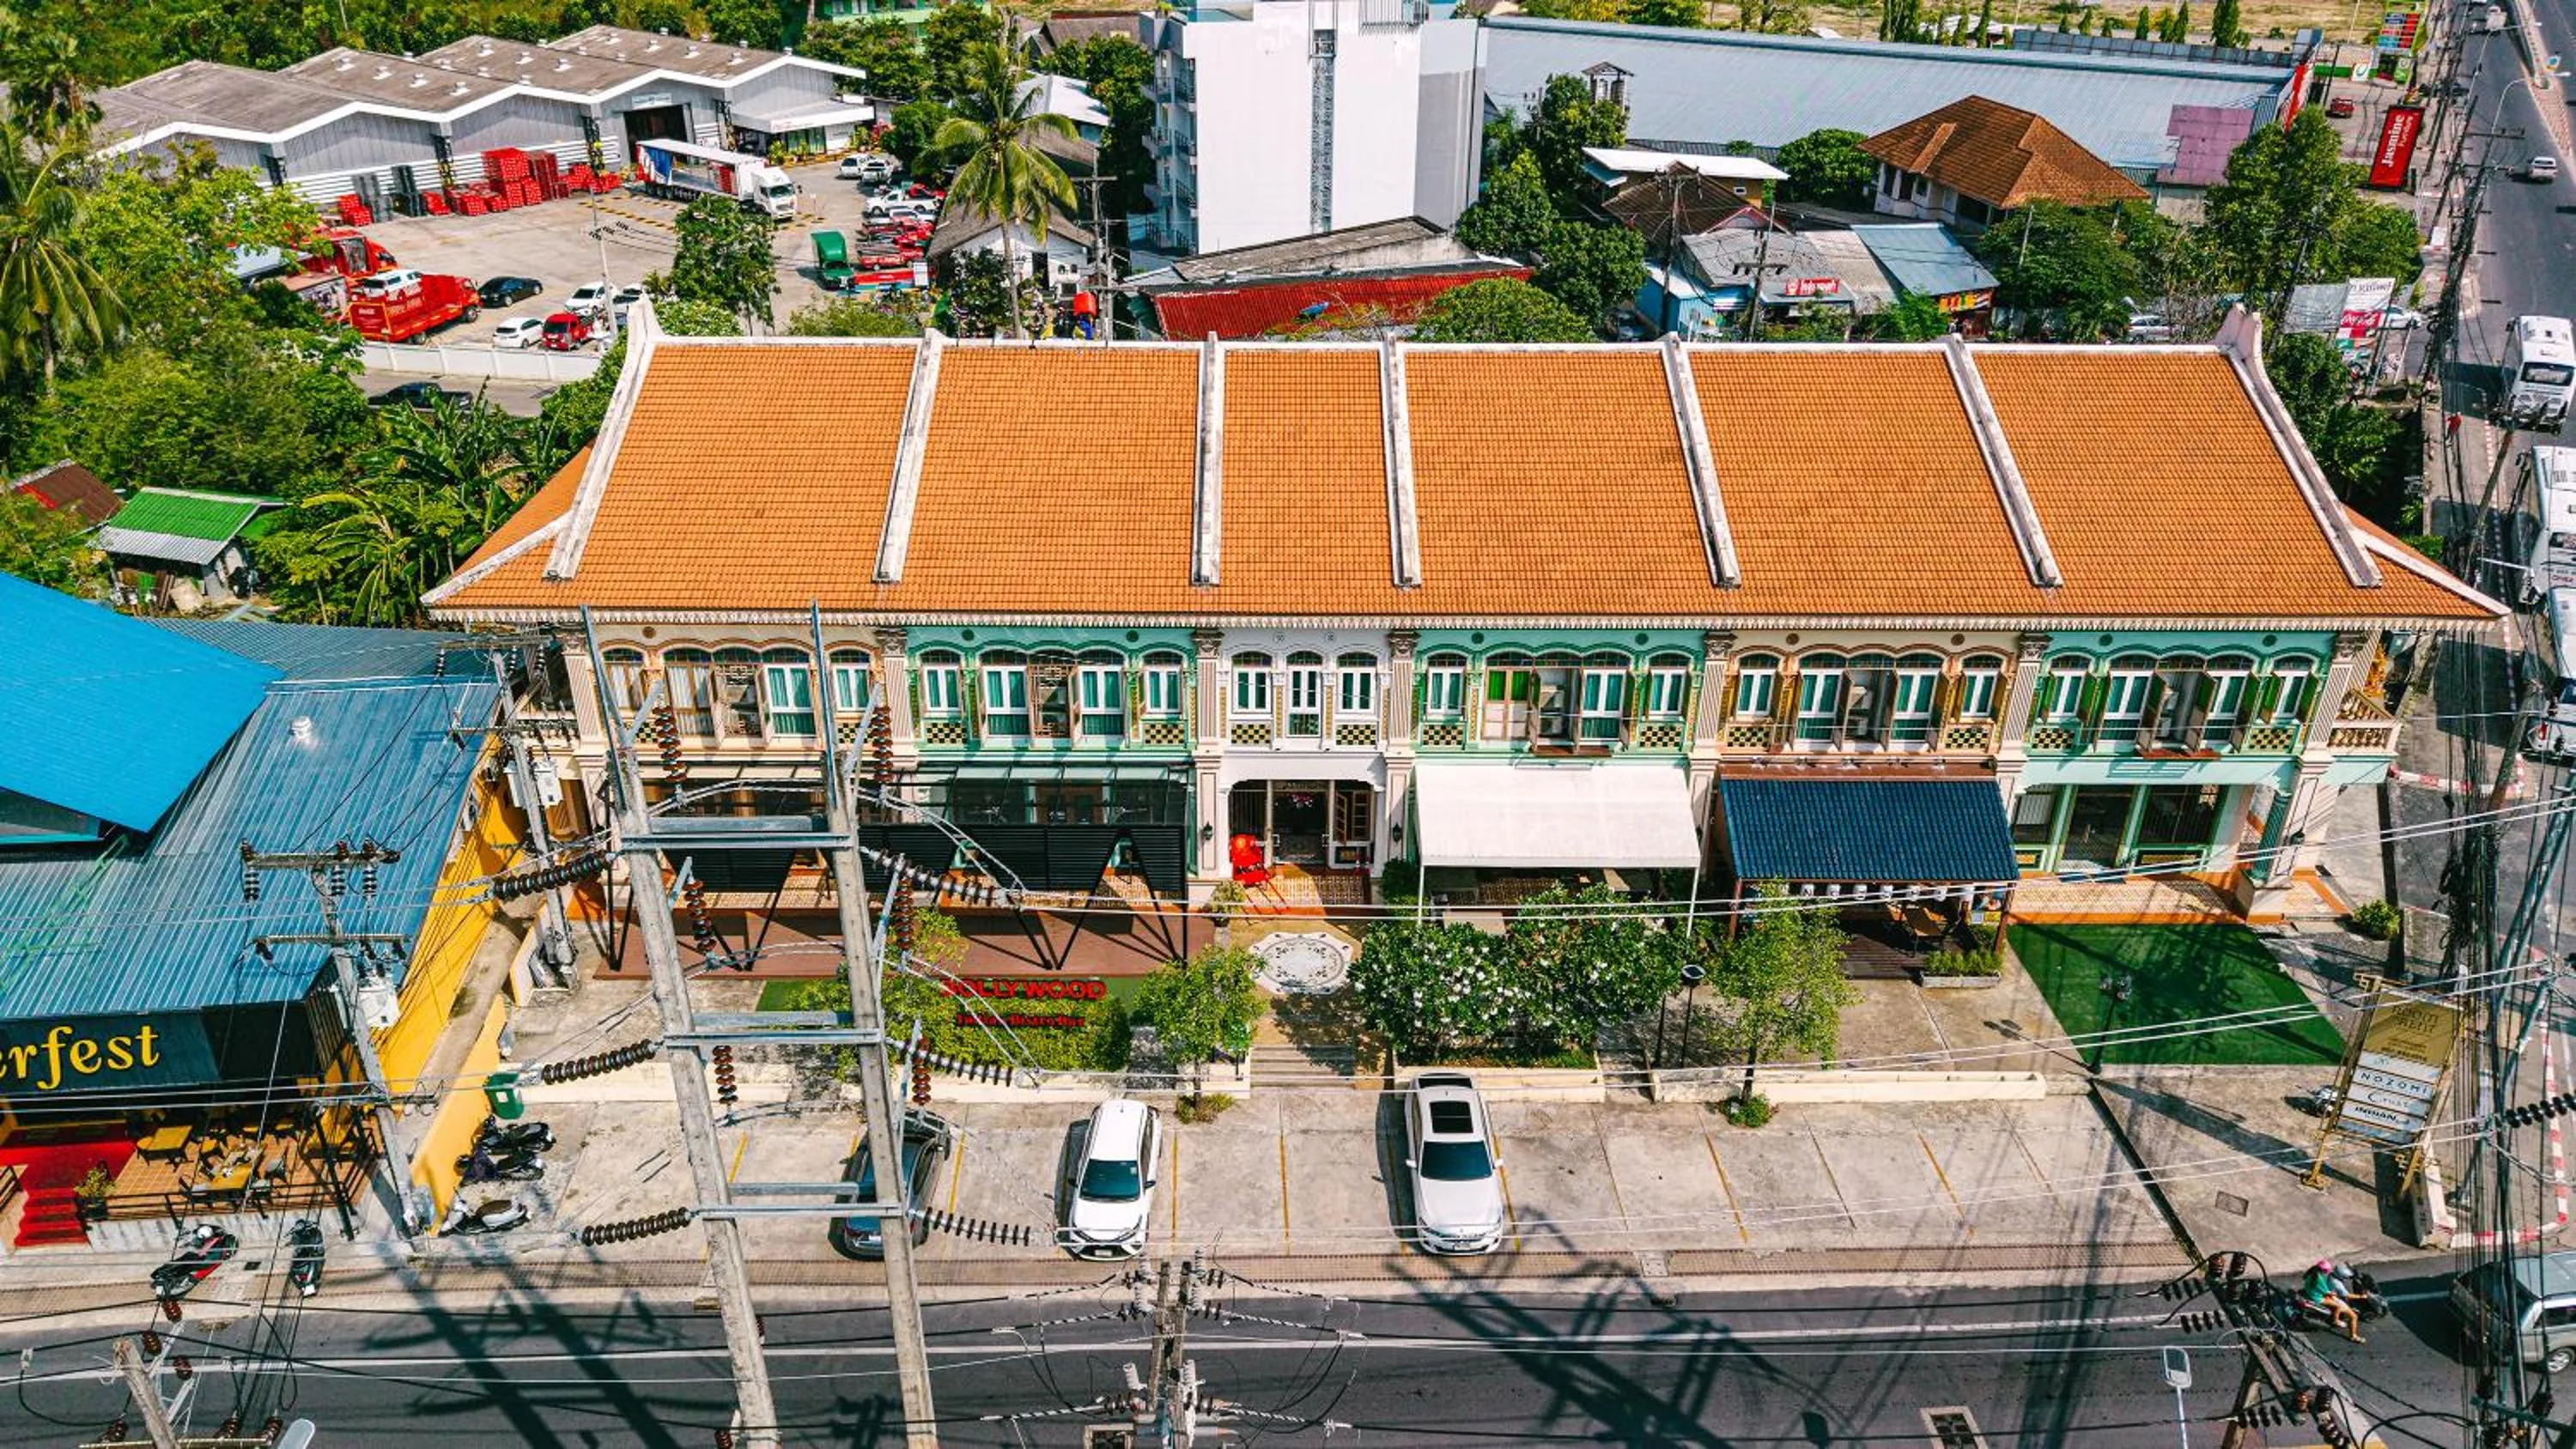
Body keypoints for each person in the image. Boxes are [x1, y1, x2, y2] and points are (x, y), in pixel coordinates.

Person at [2303, 1258, 2364, 1343]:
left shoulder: (2313, 1274)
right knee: (2353, 1316)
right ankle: (2350, 1333)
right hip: (2317, 1297)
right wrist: (2361, 1296)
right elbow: (2330, 1293)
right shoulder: (2320, 1279)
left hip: (2312, 1292)